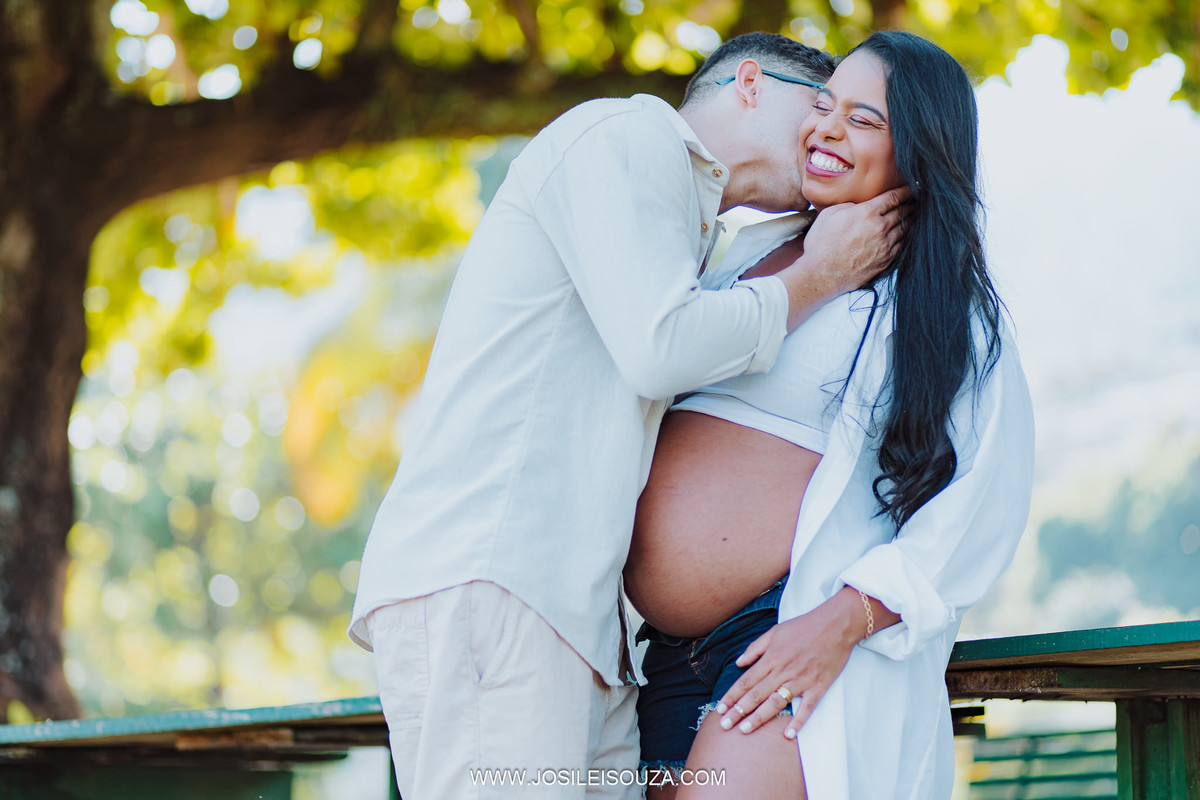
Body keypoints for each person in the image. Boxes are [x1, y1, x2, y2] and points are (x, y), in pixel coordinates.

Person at [348, 33, 911, 799]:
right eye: (817, 107)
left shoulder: (698, 236)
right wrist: (819, 275)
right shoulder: (626, 134)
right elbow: (661, 345)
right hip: (496, 582)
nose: (825, 137)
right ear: (749, 82)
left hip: (581, 621)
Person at [625, 30, 1035, 799]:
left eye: (864, 119)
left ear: (918, 148)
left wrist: (842, 622)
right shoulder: (741, 255)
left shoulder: (943, 310)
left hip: (783, 636)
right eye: (823, 105)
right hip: (665, 656)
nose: (826, 128)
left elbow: (984, 503)